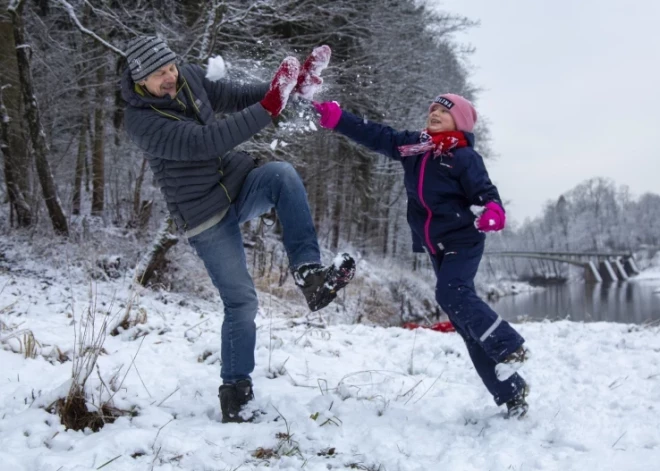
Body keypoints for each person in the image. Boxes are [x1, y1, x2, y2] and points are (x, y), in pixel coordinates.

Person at [120, 36, 355, 423]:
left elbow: (234, 95)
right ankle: (236, 394)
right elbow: (206, 141)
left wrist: (287, 88)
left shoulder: (189, 78)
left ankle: (310, 275)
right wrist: (270, 107)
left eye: (171, 68)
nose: (170, 78)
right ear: (140, 79)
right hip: (203, 216)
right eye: (159, 74)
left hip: (235, 184)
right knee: (242, 302)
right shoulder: (141, 122)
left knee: (282, 174)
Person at [313, 94, 530, 417]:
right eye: (433, 110)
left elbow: (486, 192)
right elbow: (377, 135)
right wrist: (338, 118)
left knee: (451, 292)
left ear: (461, 122)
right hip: (436, 245)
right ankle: (512, 392)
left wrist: (494, 211)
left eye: (445, 111)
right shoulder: (414, 148)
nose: (436, 114)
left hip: (464, 240)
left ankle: (509, 345)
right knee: (464, 324)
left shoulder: (463, 157)